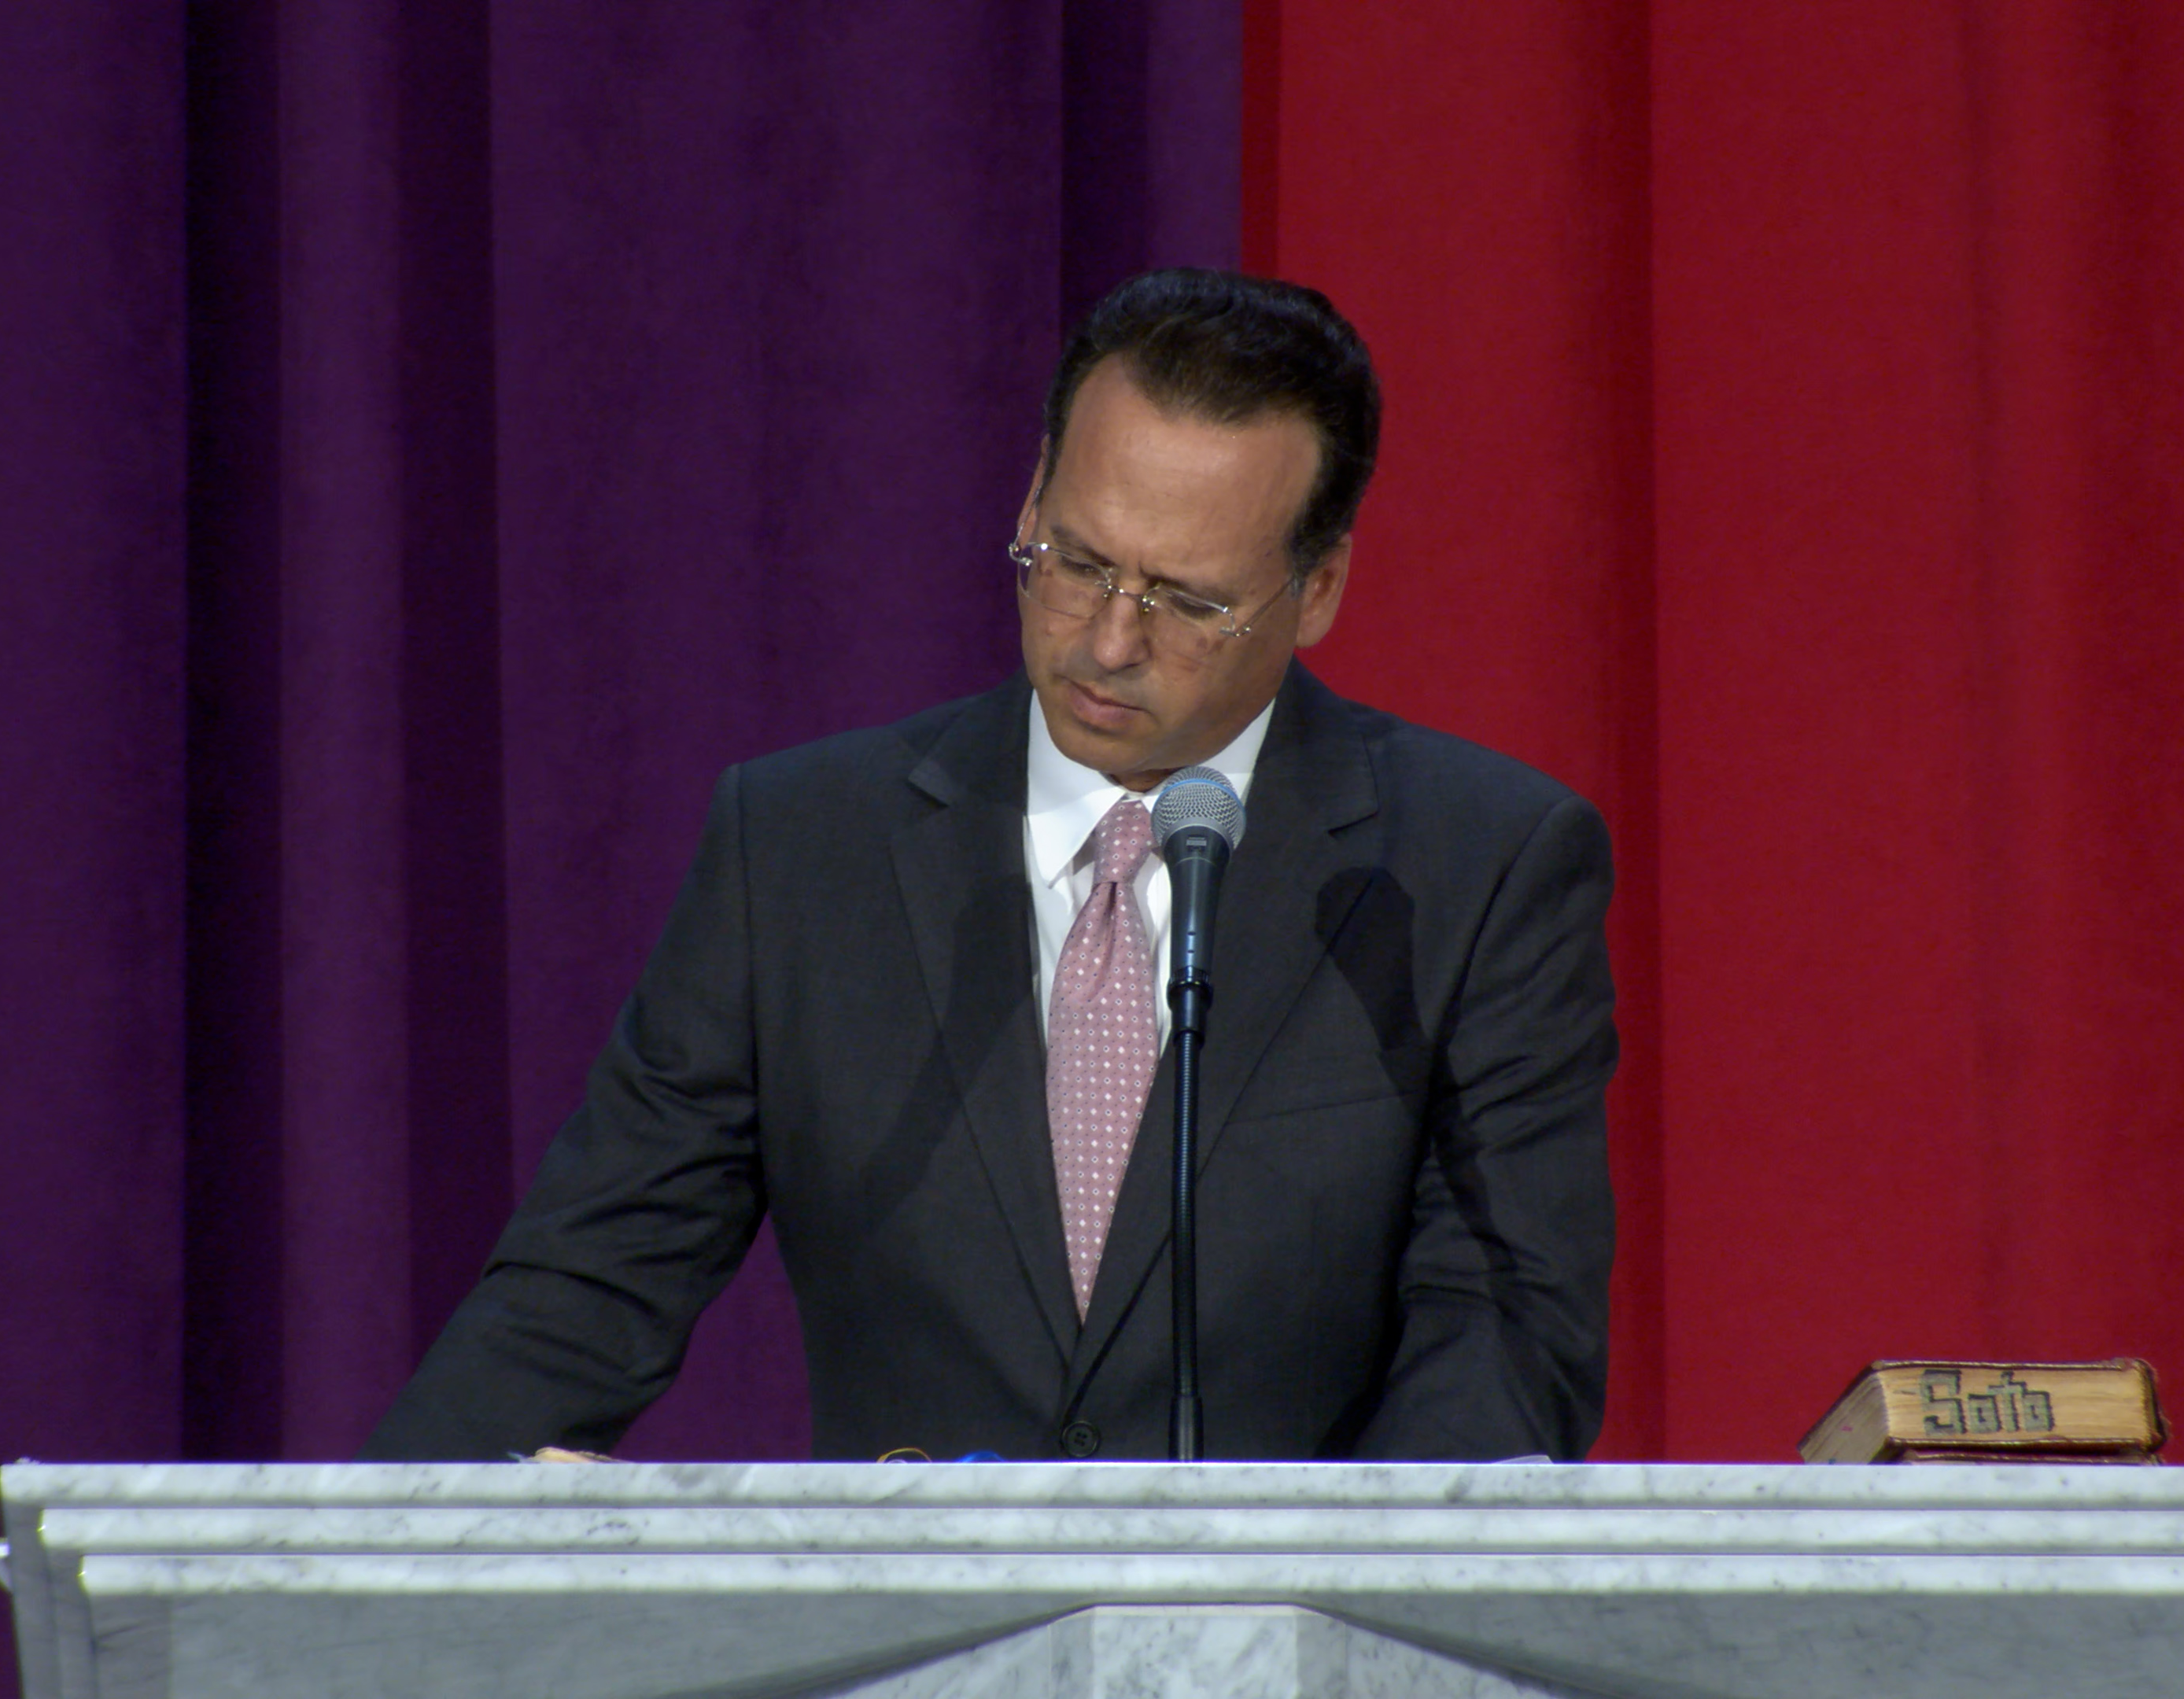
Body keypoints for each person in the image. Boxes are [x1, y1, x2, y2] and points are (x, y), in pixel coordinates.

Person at [361, 269, 1616, 1464]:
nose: (1108, 641)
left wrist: (1317, 1592)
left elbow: (1505, 1336)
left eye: (1187, 601)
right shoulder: (800, 852)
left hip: (1289, 1617)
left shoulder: (1476, 869)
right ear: (1029, 508)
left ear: (1319, 588)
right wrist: (362, 1563)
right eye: (1078, 562)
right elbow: (587, 1286)